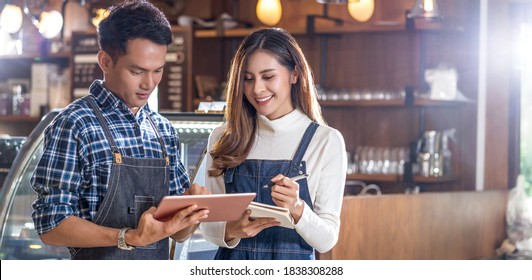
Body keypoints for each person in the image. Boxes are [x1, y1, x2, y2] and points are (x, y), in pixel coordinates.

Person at [30, 0, 209, 260]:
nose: (149, 83)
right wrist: (128, 237)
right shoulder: (75, 124)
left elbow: (178, 235)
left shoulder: (163, 131)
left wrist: (192, 213)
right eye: (136, 71)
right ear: (105, 61)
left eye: (158, 70)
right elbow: (50, 225)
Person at [200, 27, 347, 260]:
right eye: (248, 79)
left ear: (294, 75)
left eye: (268, 77)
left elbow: (327, 239)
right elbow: (208, 224)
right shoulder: (223, 138)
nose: (257, 89)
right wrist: (230, 230)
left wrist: (298, 208)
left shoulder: (325, 141)